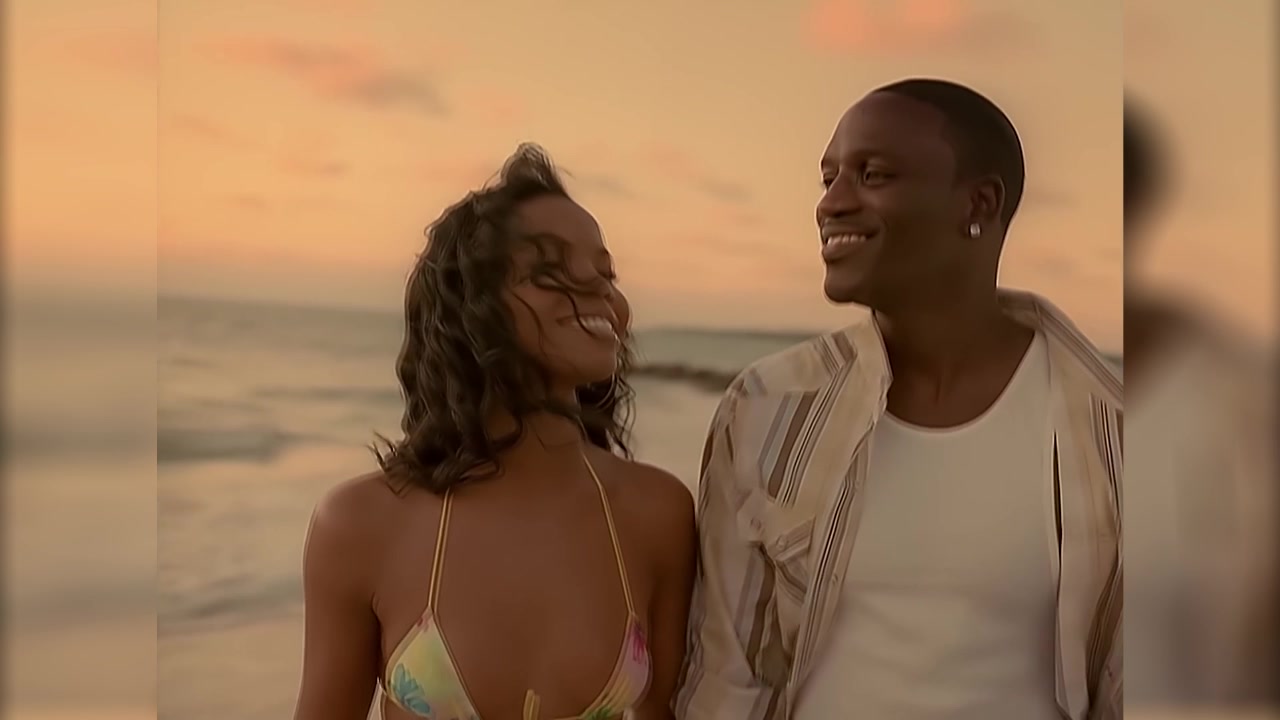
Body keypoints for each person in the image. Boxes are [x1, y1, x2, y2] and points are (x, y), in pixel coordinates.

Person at [674, 79, 1122, 720]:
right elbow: (727, 677)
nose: (831, 203)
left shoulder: (1114, 432)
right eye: (828, 177)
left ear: (979, 203)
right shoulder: (767, 407)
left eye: (873, 175)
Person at [293, 144, 697, 720]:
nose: (598, 289)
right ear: (471, 307)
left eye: (606, 273)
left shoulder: (656, 514)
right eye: (550, 271)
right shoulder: (362, 524)